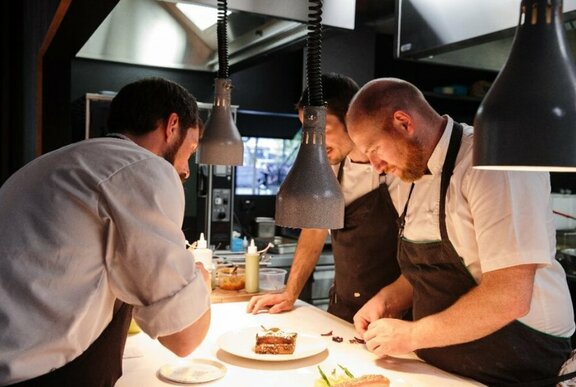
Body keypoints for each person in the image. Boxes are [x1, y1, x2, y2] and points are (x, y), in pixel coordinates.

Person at [346, 77, 575, 385]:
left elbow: (510, 295)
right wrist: (387, 301)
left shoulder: (493, 162)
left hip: (519, 366)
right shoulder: (411, 176)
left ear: (403, 122)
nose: (375, 166)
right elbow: (435, 269)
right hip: (444, 369)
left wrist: (414, 335)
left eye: (374, 149)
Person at [0, 77, 211, 386]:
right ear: (172, 125)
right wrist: (202, 281)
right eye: (189, 151)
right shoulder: (143, 167)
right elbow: (184, 337)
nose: (186, 170)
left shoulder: (58, 162)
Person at [247, 73, 404, 323]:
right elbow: (313, 231)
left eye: (322, 129)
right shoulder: (331, 168)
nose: (315, 142)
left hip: (394, 316)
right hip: (343, 308)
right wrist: (290, 293)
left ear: (353, 118)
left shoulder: (396, 169)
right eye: (307, 130)